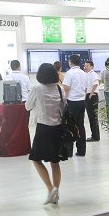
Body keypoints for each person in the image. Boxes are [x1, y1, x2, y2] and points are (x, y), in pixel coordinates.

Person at [25, 63, 67, 205]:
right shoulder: (60, 88)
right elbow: (63, 108)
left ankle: (50, 189)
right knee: (55, 162)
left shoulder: (36, 88)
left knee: (36, 159)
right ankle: (56, 192)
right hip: (58, 129)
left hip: (43, 128)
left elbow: (27, 106)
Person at [62, 54, 88, 157]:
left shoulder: (69, 73)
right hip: (82, 101)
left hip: (72, 102)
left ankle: (68, 152)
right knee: (80, 125)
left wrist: (64, 100)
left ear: (70, 62)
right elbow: (86, 88)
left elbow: (66, 88)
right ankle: (81, 151)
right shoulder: (83, 73)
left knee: (70, 126)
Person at [84, 61, 100, 142]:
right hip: (89, 95)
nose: (85, 67)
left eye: (87, 66)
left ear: (92, 67)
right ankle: (94, 135)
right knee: (91, 117)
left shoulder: (93, 74)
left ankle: (95, 136)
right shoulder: (88, 74)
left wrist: (90, 95)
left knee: (93, 118)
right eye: (84, 66)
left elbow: (96, 84)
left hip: (92, 97)